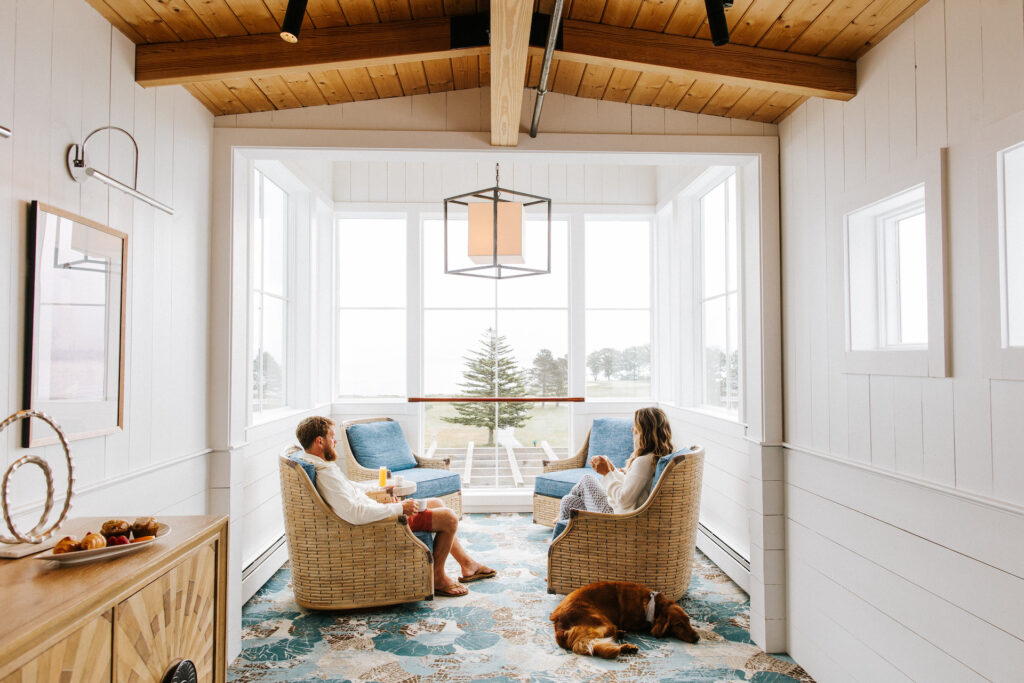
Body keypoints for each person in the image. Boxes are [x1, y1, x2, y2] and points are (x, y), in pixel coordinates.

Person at [294, 416, 496, 597]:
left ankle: (467, 565)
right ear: (320, 441)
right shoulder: (325, 472)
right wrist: (400, 509)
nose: (335, 442)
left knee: (436, 503)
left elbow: (350, 489)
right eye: (331, 437)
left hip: (375, 513)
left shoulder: (320, 465)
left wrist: (380, 486)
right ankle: (438, 578)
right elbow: (355, 514)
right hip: (378, 523)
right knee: (449, 517)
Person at [556, 407, 675, 525]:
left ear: (645, 432)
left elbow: (623, 500)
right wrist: (613, 471)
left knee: (587, 479)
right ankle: (565, 535)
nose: (632, 429)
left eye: (637, 428)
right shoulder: (654, 459)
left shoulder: (643, 462)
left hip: (618, 519)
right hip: (622, 514)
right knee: (568, 501)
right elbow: (631, 489)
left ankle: (560, 530)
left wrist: (607, 473)